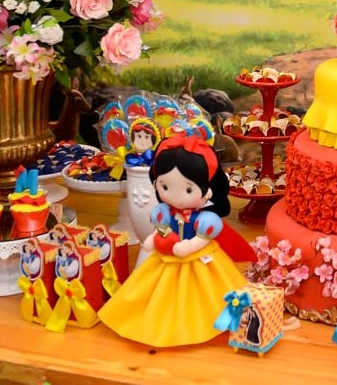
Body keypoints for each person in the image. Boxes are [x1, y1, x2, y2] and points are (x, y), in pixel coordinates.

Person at [98, 134, 254, 347]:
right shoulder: (163, 213)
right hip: (167, 257)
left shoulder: (206, 220)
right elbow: (162, 230)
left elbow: (202, 239)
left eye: (188, 189)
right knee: (157, 290)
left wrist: (189, 245)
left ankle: (197, 323)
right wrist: (156, 238)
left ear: (207, 191)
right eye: (165, 187)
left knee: (206, 293)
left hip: (198, 259)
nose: (177, 197)